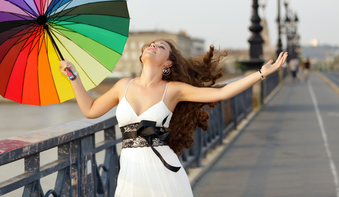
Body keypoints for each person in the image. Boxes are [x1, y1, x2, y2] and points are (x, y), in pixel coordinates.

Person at [59, 40, 288, 197]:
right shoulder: (123, 86)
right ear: (142, 56)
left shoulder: (174, 90)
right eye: (151, 45)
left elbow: (220, 93)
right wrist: (73, 76)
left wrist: (261, 74)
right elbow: (90, 110)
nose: (153, 46)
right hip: (130, 170)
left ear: (168, 63)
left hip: (161, 169)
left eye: (160, 47)